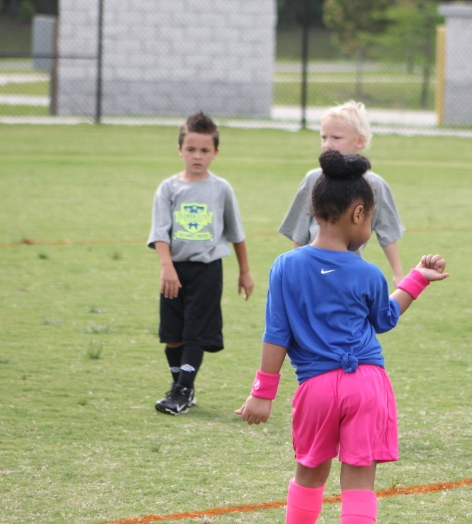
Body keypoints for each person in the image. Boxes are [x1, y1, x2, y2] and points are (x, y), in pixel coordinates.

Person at [235, 149, 449, 523]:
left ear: (315, 212)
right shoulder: (368, 273)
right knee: (360, 482)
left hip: (316, 389)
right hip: (367, 385)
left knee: (309, 476)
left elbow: (277, 333)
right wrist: (417, 279)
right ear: (358, 214)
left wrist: (262, 393)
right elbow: (385, 319)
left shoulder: (285, 266)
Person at [147, 111, 254, 415]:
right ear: (179, 149)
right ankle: (182, 387)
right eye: (191, 149)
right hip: (174, 270)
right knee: (172, 335)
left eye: (205, 150)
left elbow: (236, 233)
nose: (197, 155)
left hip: (207, 270)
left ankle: (181, 390)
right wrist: (166, 266)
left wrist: (245, 272)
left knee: (195, 332)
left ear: (215, 152)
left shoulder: (221, 189)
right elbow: (160, 232)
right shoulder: (168, 188)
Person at [278, 100, 406, 286]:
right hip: (313, 272)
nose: (327, 144)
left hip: (348, 274)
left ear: (360, 141)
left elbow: (388, 231)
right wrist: (296, 270)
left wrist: (398, 274)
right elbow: (300, 232)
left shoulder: (374, 185)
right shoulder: (313, 179)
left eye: (336, 138)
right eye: (323, 137)